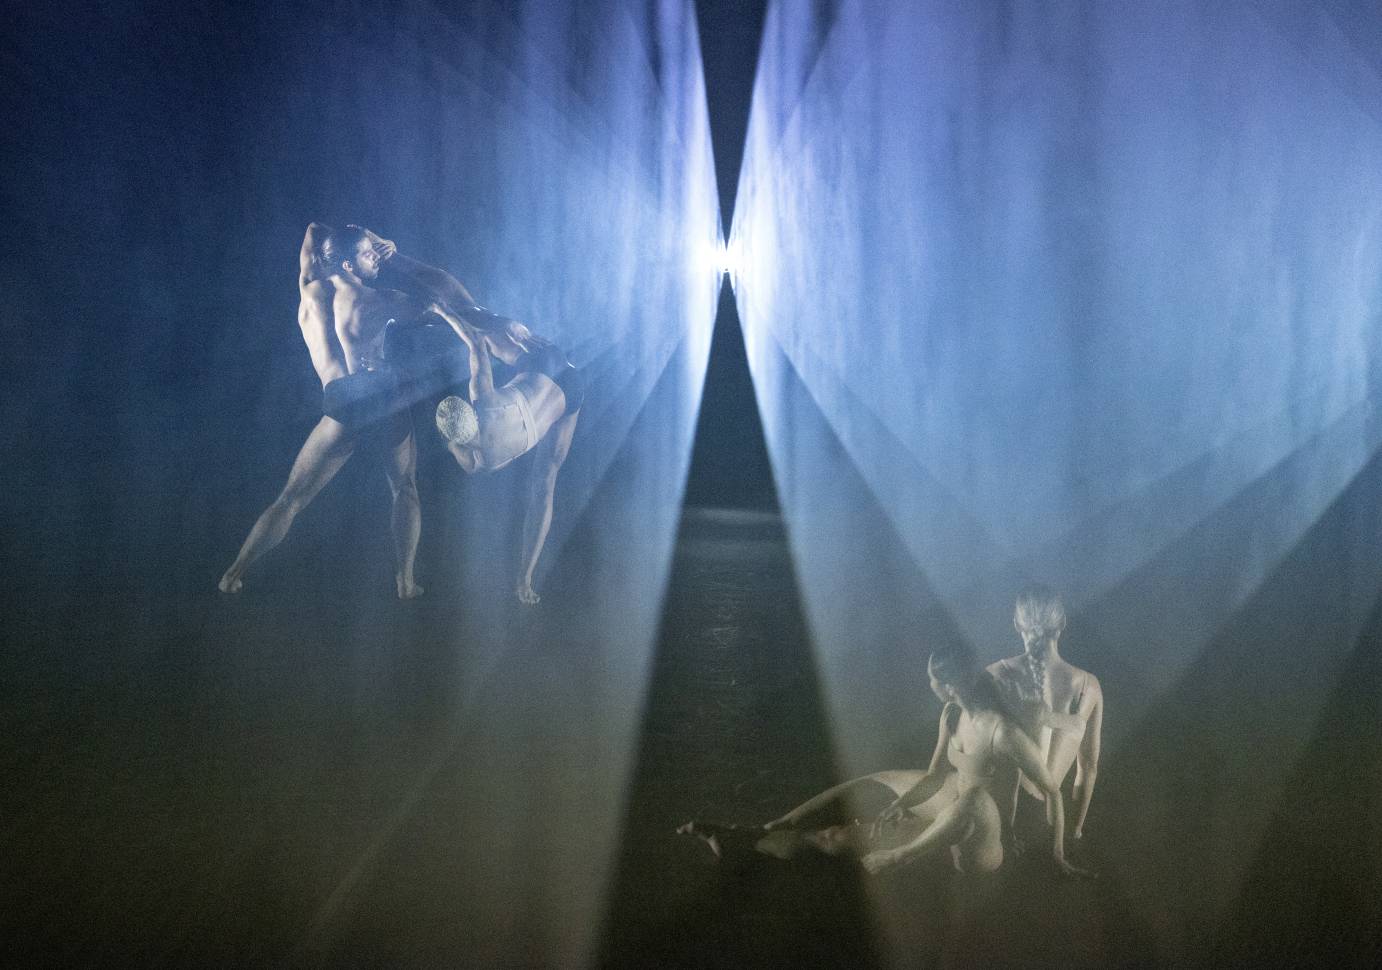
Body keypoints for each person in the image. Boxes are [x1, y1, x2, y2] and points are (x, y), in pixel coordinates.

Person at [679, 649, 1089, 877]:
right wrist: (899, 802)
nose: (928, 684)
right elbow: (933, 775)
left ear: (948, 685)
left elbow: (1052, 790)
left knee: (973, 798)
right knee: (877, 782)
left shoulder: (1002, 731)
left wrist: (1058, 854)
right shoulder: (951, 715)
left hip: (986, 837)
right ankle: (765, 830)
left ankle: (896, 855)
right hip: (948, 801)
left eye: (932, 678)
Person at [218, 224, 431, 599]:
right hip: (380, 392)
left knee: (291, 499)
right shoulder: (375, 297)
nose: (376, 259)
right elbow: (432, 307)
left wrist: (360, 240)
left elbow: (314, 228)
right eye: (369, 254)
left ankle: (234, 574)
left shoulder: (309, 288)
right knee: (404, 487)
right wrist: (385, 245)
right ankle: (405, 581)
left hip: (341, 397)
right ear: (348, 264)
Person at [428, 304, 583, 605]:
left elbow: (453, 446)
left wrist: (447, 439)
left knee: (545, 482)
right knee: (481, 335)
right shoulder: (484, 398)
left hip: (570, 394)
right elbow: (474, 341)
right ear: (470, 409)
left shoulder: (481, 464)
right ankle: (468, 314)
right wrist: (442, 313)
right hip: (548, 364)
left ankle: (525, 579)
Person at [987, 586, 1103, 841]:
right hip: (1050, 819)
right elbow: (1089, 767)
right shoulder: (1088, 685)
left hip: (1002, 816)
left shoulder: (995, 676)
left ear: (1017, 624)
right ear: (1062, 623)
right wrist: (1075, 829)